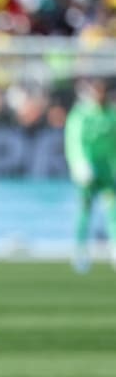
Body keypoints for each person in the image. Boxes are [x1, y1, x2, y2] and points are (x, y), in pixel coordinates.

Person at [63, 77, 116, 273]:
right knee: (85, 211)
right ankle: (80, 250)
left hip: (109, 171)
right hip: (88, 171)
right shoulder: (81, 115)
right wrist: (78, 164)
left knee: (113, 210)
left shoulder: (112, 114)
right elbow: (73, 141)